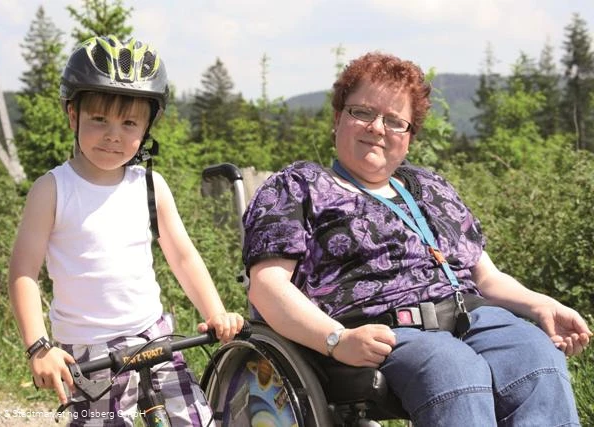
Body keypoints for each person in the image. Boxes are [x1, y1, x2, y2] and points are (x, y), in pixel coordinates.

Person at [242, 51, 591, 426]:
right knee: (454, 370)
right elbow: (266, 287)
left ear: (409, 137)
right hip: (385, 329)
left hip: (472, 316)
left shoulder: (430, 187)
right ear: (337, 117)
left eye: (394, 121)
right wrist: (336, 339)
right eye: (362, 112)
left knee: (535, 356)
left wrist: (540, 305)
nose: (377, 127)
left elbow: (485, 277)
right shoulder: (299, 186)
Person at [8, 35, 243, 427]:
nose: (113, 134)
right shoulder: (52, 189)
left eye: (129, 122)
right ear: (73, 115)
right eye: (99, 119)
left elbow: (182, 256)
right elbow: (23, 273)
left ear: (148, 125)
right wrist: (38, 347)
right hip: (86, 351)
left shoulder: (151, 186)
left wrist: (215, 312)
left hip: (153, 335)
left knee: (195, 421)